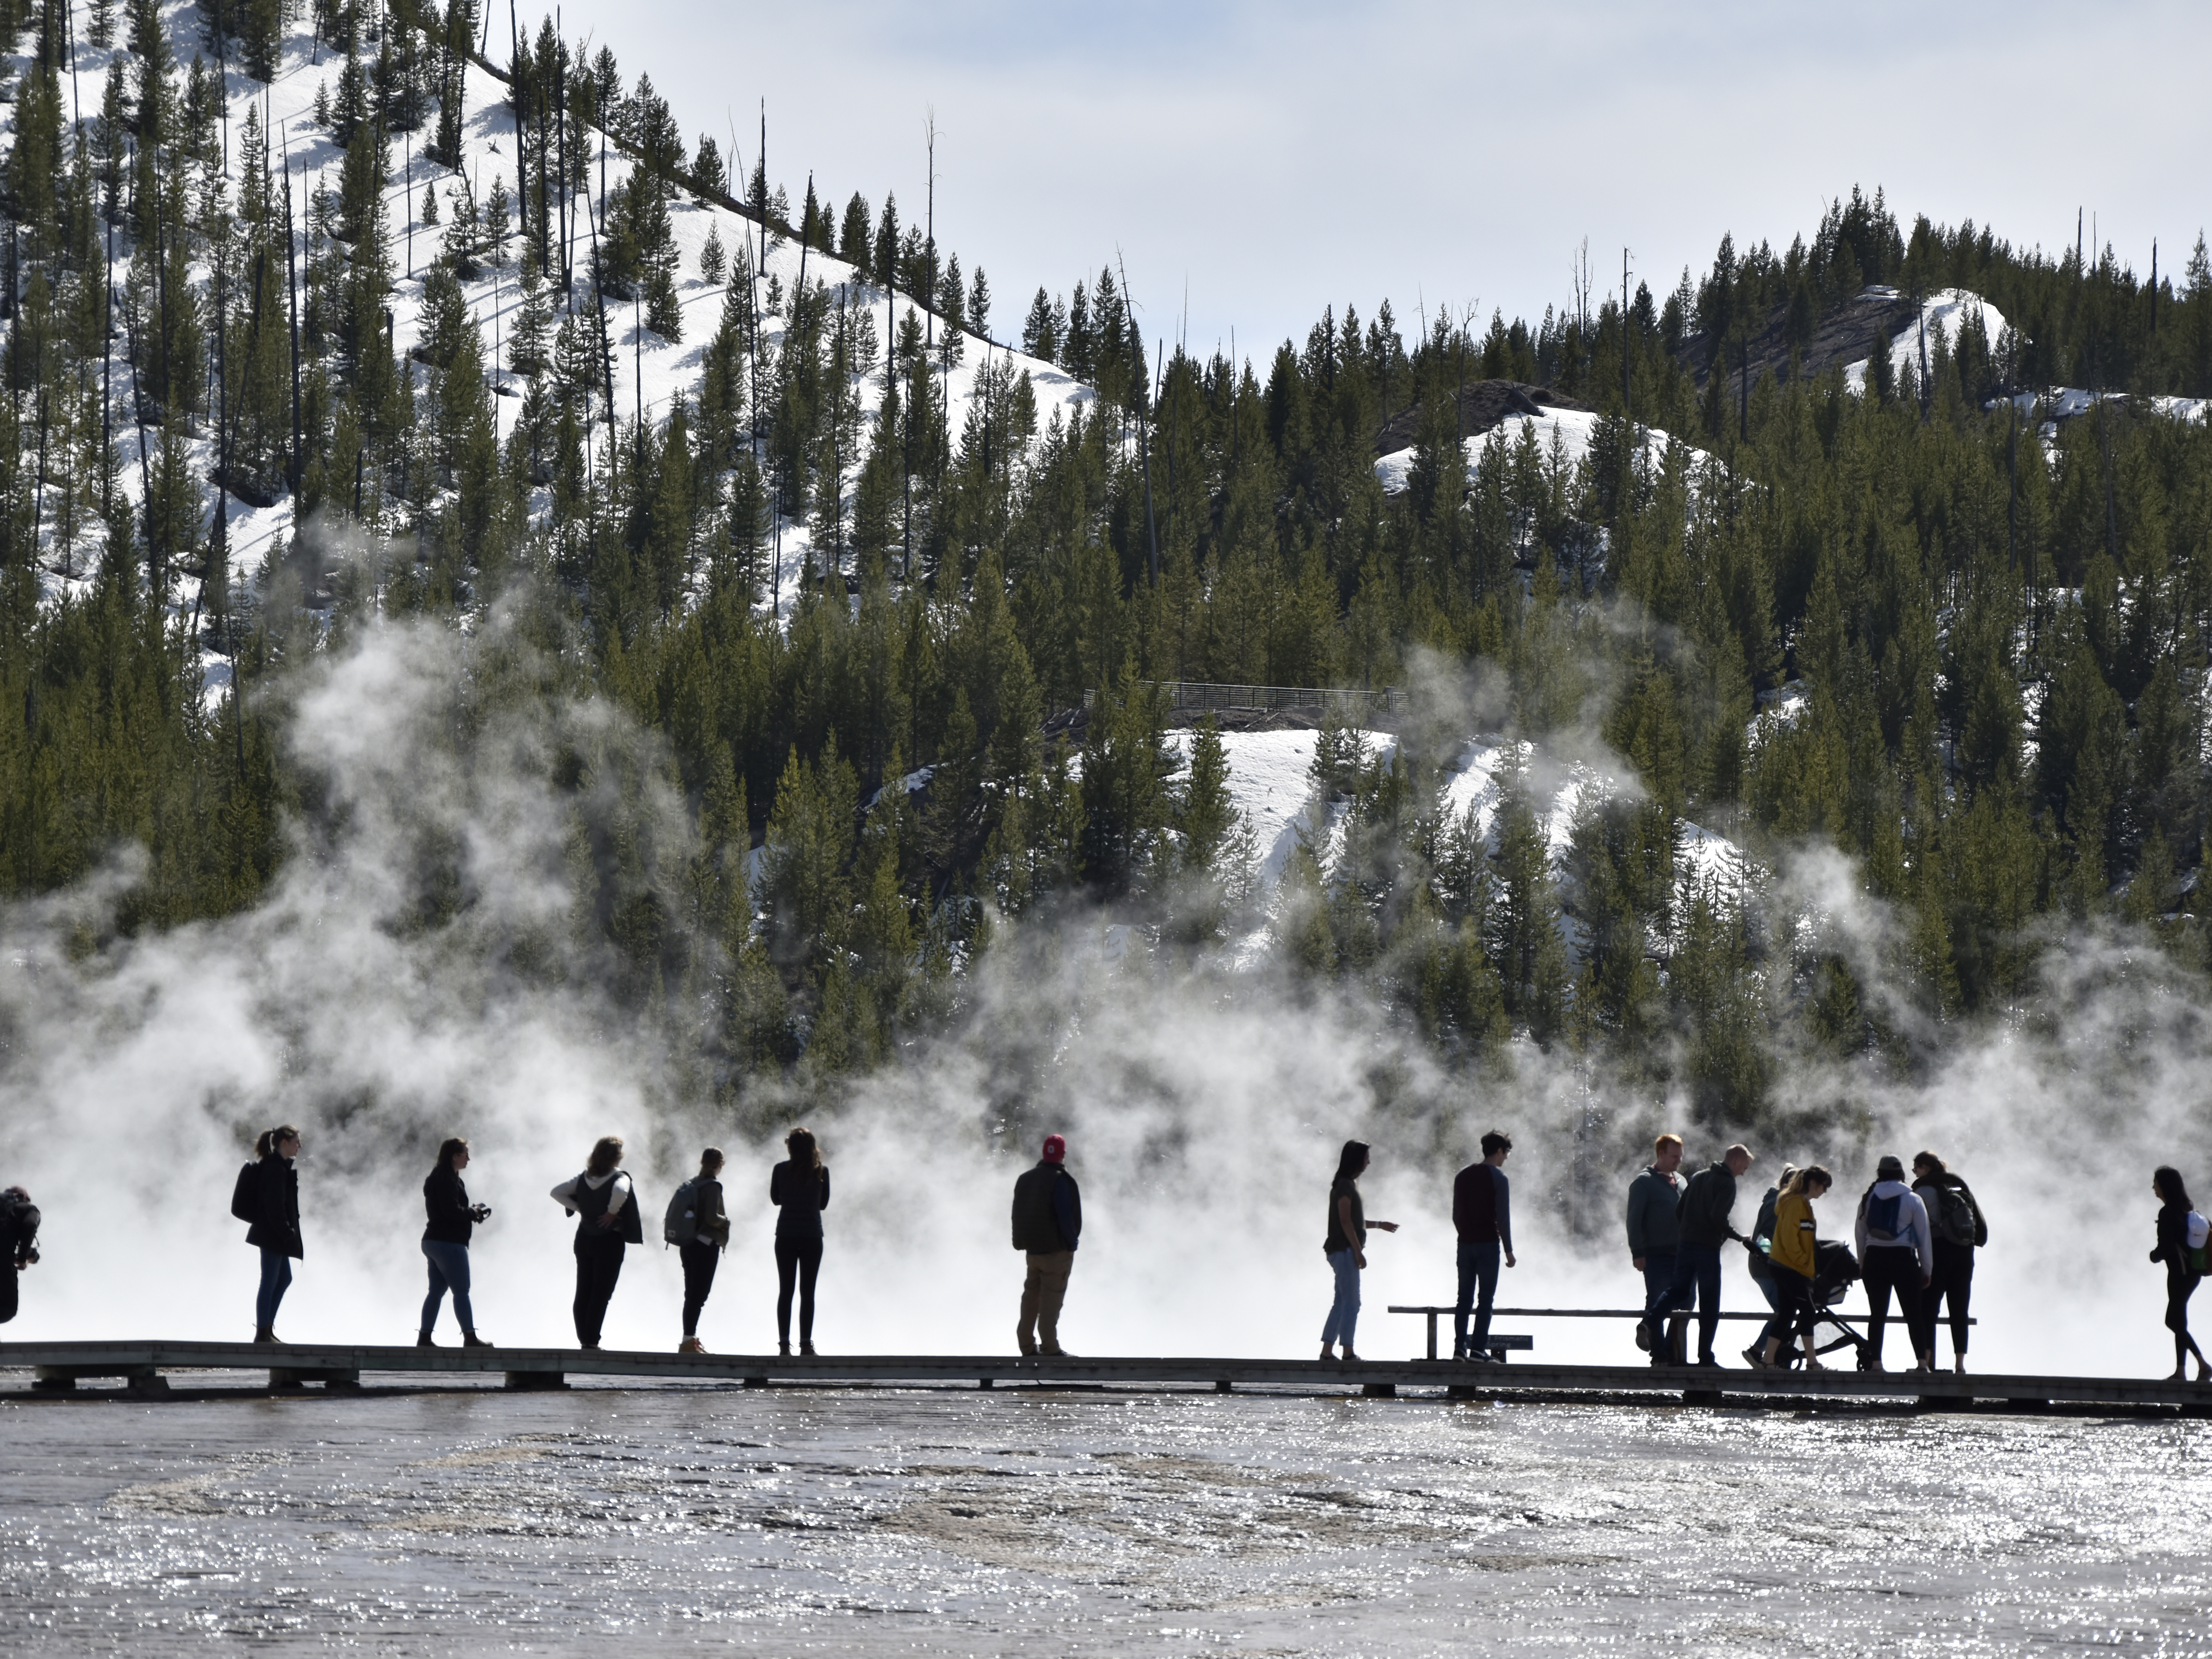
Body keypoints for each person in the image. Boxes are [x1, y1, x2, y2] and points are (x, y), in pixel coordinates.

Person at [1666, 1143, 1754, 1367]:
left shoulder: (1699, 1177)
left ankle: (1666, 1349)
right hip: (1707, 1249)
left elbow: (1679, 1210)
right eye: (1745, 1167)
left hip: (1686, 1246)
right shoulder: (1727, 1183)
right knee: (1710, 1305)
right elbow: (1718, 1217)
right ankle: (1705, 1357)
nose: (1744, 1173)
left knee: (1679, 1295)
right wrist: (1737, 1237)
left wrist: (1687, 1232)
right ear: (1736, 1162)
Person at [551, 1136, 639, 1351]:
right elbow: (621, 1191)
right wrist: (611, 1213)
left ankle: (585, 1339)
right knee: (601, 1293)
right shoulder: (620, 1177)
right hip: (609, 1241)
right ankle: (591, 1341)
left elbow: (557, 1192)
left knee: (584, 1290)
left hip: (584, 1239)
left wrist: (582, 1210)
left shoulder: (584, 1178)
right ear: (616, 1157)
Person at [1320, 1140, 1398, 1363]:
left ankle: (1327, 1353)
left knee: (1342, 1302)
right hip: (1344, 1251)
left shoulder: (1346, 1185)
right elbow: (1345, 1222)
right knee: (1353, 1303)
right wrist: (1358, 1251)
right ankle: (1348, 1353)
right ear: (1356, 1160)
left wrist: (1379, 1225)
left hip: (1342, 1250)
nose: (1369, 1163)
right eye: (1366, 1158)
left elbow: (1354, 1221)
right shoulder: (1345, 1186)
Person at [1854, 1154, 1933, 1371]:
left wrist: (1863, 1264)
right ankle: (1922, 1363)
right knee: (1914, 1314)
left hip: (1874, 1260)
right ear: (1901, 1174)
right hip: (1903, 1260)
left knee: (1877, 1314)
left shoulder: (1869, 1198)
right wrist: (1927, 1269)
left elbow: (1860, 1234)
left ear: (1880, 1173)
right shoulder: (1913, 1199)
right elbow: (1924, 1238)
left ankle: (1877, 1363)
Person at [1910, 1151, 1987, 1374]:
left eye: (1915, 1168)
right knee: (1960, 1309)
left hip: (1938, 1250)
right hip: (1965, 1253)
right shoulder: (1959, 1186)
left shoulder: (1923, 1190)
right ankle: (1960, 1366)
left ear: (1925, 1168)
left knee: (1929, 1308)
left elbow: (1918, 1227)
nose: (1914, 1173)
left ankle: (1925, 1363)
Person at [1012, 1133, 1082, 1357]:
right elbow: (1065, 1217)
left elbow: (1018, 1214)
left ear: (1044, 1153)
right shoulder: (1060, 1180)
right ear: (1063, 1154)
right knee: (1052, 1299)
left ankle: (1026, 1344)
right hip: (1056, 1252)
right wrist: (1072, 1244)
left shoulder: (1026, 1179)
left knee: (1031, 1296)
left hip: (1033, 1251)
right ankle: (1050, 1347)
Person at [419, 1138, 493, 1348]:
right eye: (465, 1154)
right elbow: (451, 1212)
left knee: (436, 1291)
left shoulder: (440, 1177)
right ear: (455, 1156)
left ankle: (424, 1339)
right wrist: (473, 1212)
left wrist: (470, 1212)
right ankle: (470, 1338)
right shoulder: (448, 1180)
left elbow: (446, 1210)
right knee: (461, 1291)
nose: (468, 1158)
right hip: (448, 1243)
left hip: (432, 1241)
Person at [1452, 1131, 1516, 1361]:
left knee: (1464, 1299)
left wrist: (1466, 1235)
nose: (1506, 1158)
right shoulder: (1499, 1178)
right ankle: (1478, 1350)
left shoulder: (1462, 1176)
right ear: (1499, 1151)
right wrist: (1509, 1251)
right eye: (1506, 1153)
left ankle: (1459, 1349)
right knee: (1485, 1299)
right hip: (1488, 1245)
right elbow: (1503, 1218)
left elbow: (1456, 1215)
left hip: (1465, 1245)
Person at [1760, 1165, 1832, 1369]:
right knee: (1808, 1311)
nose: (1824, 1191)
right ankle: (1812, 1362)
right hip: (1788, 1267)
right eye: (1823, 1186)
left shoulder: (1803, 1203)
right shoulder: (1795, 1204)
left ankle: (1768, 1360)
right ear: (1813, 1183)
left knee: (1787, 1314)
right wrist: (1804, 1264)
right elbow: (1791, 1241)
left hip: (1786, 1266)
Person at [1625, 1134, 1685, 1364]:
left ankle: (1670, 1347)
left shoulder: (1681, 1181)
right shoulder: (1644, 1183)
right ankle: (1659, 1354)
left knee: (1686, 1302)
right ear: (1660, 1154)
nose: (1678, 1161)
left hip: (1681, 1254)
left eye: (1680, 1156)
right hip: (1656, 1254)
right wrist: (1638, 1252)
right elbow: (1634, 1220)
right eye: (1674, 1156)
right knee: (1658, 1300)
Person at [241, 1126, 304, 1344]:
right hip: (271, 1234)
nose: (300, 1145)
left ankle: (266, 1329)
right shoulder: (275, 1169)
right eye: (296, 1141)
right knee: (270, 1280)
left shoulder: (279, 1167)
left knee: (283, 1278)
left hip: (273, 1234)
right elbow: (274, 1207)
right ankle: (262, 1333)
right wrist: (286, 1231)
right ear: (284, 1143)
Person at [769, 1130, 828, 1356]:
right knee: (808, 1292)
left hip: (786, 1234)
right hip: (812, 1234)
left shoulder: (780, 1169)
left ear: (791, 1147)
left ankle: (784, 1346)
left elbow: (775, 1199)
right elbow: (823, 1204)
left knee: (786, 1290)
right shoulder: (822, 1172)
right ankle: (806, 1345)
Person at [2149, 1165, 2210, 1383]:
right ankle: (2190, 1369)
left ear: (2164, 1186)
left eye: (2155, 1183)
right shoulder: (2186, 1208)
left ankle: (2193, 1369)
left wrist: (2153, 1256)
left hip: (2179, 1273)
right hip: (2193, 1273)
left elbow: (2165, 1248)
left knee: (2175, 1321)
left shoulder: (2167, 1213)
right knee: (2176, 1321)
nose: (2153, 1188)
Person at [672, 1148, 730, 1355]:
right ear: (720, 1165)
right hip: (705, 1246)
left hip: (687, 1244)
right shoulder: (713, 1186)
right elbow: (711, 1218)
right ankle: (688, 1341)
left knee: (691, 1294)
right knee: (699, 1295)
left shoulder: (693, 1183)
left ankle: (689, 1339)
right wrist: (726, 1221)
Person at [1741, 1163, 1797, 1369]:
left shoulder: (1781, 1201)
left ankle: (1777, 1355)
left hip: (1769, 1265)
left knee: (1785, 1311)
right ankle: (1758, 1352)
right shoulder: (1777, 1203)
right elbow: (1767, 1234)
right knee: (1785, 1311)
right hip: (1766, 1267)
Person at [0, 1184, 40, 1326]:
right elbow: (29, 1227)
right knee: (8, 1309)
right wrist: (23, 1259)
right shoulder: (27, 1209)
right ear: (24, 1198)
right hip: (3, 1263)